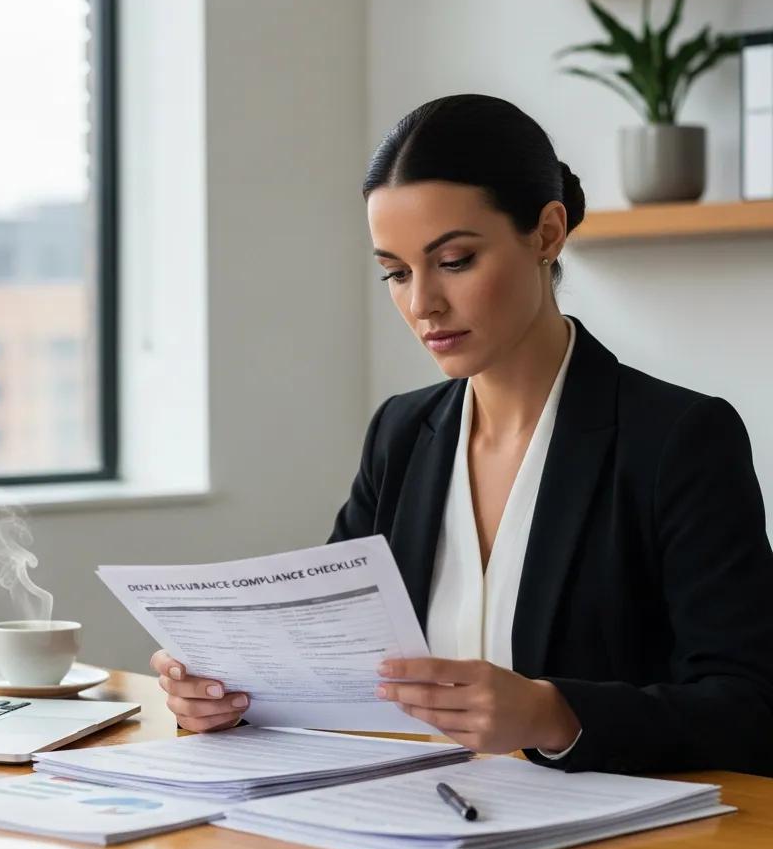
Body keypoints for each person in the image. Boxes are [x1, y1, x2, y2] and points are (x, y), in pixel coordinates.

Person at [150, 93, 773, 775]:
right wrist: (227, 695)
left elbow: (746, 707)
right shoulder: (403, 432)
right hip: (415, 834)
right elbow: (331, 656)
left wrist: (553, 712)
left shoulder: (677, 439)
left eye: (454, 261)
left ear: (546, 233)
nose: (422, 304)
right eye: (395, 272)